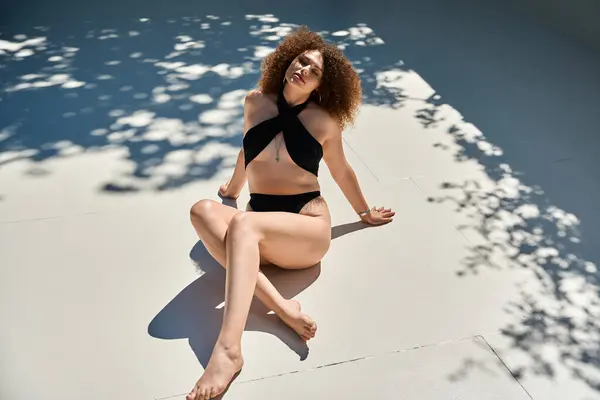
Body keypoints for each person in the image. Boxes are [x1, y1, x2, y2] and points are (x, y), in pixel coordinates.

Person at [187, 26, 395, 400]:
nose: (304, 70)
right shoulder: (254, 102)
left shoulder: (323, 122)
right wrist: (233, 189)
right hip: (259, 227)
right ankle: (281, 307)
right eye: (302, 61)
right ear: (287, 60)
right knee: (203, 210)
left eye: (315, 71)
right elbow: (248, 149)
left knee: (244, 226)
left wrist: (363, 213)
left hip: (306, 229)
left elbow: (342, 171)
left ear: (320, 86)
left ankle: (228, 350)